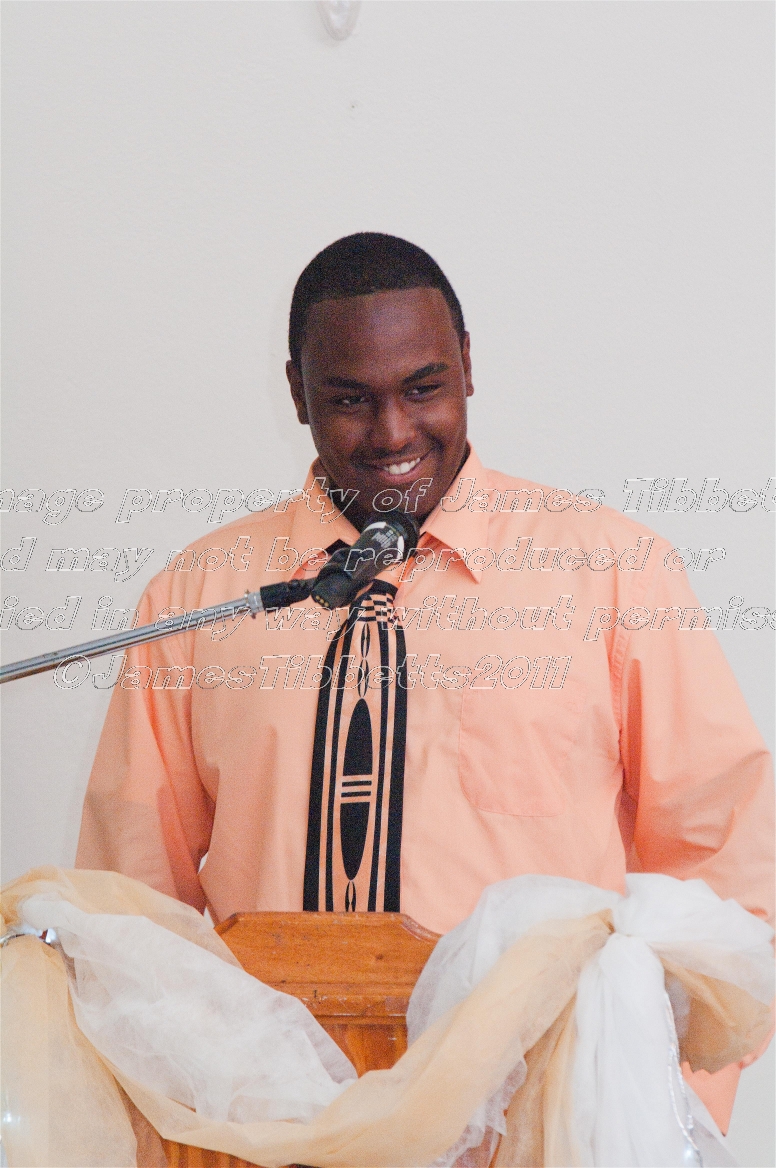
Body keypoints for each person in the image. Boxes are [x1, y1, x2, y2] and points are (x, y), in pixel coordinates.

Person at [76, 232, 773, 1129]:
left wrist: (654, 1107)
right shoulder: (198, 598)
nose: (394, 433)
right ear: (296, 393)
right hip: (268, 1132)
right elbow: (131, 911)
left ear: (469, 368)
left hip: (539, 1125)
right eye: (350, 399)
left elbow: (726, 863)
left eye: (423, 388)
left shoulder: (615, 574)